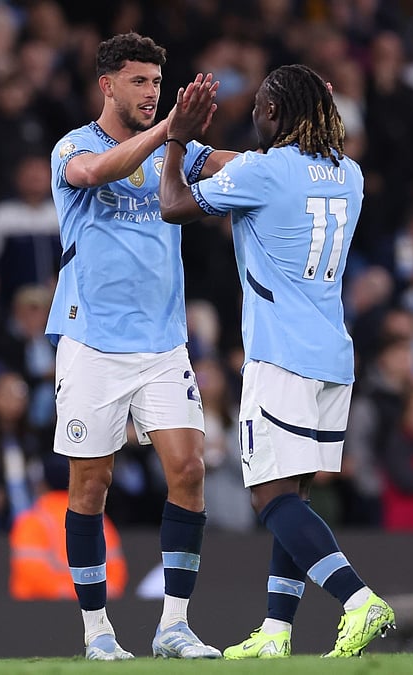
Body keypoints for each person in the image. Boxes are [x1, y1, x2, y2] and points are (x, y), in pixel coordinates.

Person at [160, 63, 397, 659]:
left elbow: (172, 204)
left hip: (280, 355)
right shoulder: (351, 174)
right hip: (333, 357)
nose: (255, 113)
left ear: (275, 114)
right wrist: (207, 151)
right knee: (294, 494)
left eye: (262, 106)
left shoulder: (263, 173)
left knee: (270, 497)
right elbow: (243, 165)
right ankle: (275, 631)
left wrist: (174, 142)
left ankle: (357, 599)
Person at [46, 32, 235, 660]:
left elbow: (229, 166)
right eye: (139, 82)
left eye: (158, 83)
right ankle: (97, 630)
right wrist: (172, 133)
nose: (151, 94)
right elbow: (101, 171)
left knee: (187, 471)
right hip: (92, 341)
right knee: (90, 486)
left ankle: (174, 625)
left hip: (162, 342)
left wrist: (299, 164)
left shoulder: (176, 147)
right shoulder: (74, 146)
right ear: (107, 85)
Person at [9, 455, 128, 601]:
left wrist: (65, 594)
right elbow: (116, 575)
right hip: (91, 611)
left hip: (38, 614)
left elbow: (30, 573)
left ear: (43, 484)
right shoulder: (100, 520)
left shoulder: (33, 520)